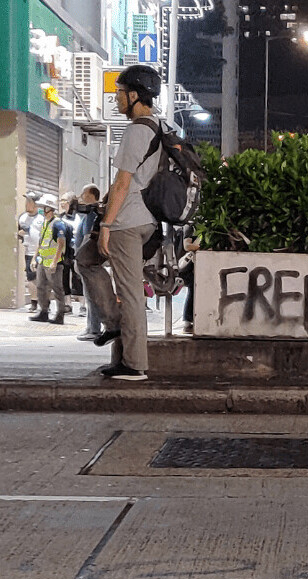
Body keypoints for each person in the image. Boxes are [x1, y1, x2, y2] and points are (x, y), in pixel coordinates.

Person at [76, 64, 163, 382]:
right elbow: (124, 181)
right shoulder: (156, 127)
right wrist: (103, 207)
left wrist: (107, 226)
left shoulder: (138, 130)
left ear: (136, 96)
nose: (116, 100)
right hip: (138, 218)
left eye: (120, 94)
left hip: (128, 223)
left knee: (130, 291)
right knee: (85, 259)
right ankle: (113, 323)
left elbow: (125, 183)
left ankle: (135, 364)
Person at [73, 184, 104, 341]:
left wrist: (80, 259)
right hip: (85, 260)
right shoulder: (87, 214)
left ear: (92, 195)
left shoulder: (92, 214)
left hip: (87, 260)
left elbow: (87, 239)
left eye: (84, 193)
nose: (81, 196)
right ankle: (91, 326)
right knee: (89, 294)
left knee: (92, 295)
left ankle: (94, 328)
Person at [29, 196, 67, 324]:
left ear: (50, 209)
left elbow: (61, 244)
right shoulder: (45, 223)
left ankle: (60, 315)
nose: (41, 211)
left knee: (57, 289)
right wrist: (35, 258)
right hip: (43, 261)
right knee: (41, 287)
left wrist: (54, 262)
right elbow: (41, 242)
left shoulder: (58, 224)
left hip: (53, 263)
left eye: (43, 208)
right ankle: (43, 312)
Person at [17, 192, 40, 311]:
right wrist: (20, 235)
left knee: (43, 279)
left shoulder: (42, 219)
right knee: (31, 277)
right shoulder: (22, 217)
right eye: (27, 201)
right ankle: (34, 302)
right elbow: (18, 233)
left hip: (42, 253)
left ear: (36, 204)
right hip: (28, 252)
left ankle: (44, 303)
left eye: (30, 201)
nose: (27, 204)